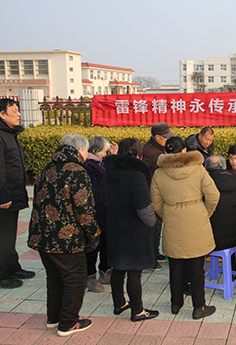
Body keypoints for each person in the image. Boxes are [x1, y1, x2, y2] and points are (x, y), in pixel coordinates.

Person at [27, 134, 100, 337]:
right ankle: (68, 322)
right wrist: (94, 234)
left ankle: (54, 318)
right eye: (86, 151)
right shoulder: (77, 172)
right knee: (75, 278)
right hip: (66, 238)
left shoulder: (47, 168)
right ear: (80, 151)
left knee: (55, 278)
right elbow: (84, 209)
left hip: (42, 235)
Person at [150, 136, 220, 319]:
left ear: (166, 151)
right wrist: (205, 213)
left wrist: (167, 215)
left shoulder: (159, 173)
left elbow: (155, 203)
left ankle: (176, 303)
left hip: (172, 221)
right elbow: (213, 195)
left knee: (175, 267)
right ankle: (199, 307)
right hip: (196, 220)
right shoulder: (198, 169)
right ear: (184, 151)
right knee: (197, 268)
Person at [0, 98, 35, 289]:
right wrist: (3, 197)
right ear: (2, 114)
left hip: (11, 194)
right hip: (2, 198)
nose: (19, 114)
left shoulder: (8, 133)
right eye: (15, 111)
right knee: (3, 237)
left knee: (9, 236)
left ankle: (12, 268)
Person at [103, 138, 159, 322]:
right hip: (134, 231)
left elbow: (104, 200)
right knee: (134, 272)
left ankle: (119, 303)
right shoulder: (136, 176)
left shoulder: (109, 173)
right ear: (138, 155)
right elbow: (144, 208)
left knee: (118, 268)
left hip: (115, 227)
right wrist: (152, 222)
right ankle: (138, 310)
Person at [83, 136, 117, 292]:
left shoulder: (100, 162)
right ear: (95, 150)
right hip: (96, 212)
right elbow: (94, 191)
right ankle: (90, 277)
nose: (105, 154)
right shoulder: (89, 165)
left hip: (106, 212)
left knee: (106, 245)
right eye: (104, 151)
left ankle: (105, 272)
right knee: (93, 247)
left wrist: (113, 156)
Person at [142, 122, 175, 268]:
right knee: (152, 227)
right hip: (151, 194)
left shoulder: (160, 148)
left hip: (160, 193)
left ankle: (155, 252)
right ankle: (150, 258)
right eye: (165, 137)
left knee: (158, 226)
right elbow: (144, 175)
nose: (168, 139)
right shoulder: (148, 151)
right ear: (157, 137)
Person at [205, 155, 236, 251]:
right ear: (225, 167)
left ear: (206, 169)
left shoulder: (203, 186)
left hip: (208, 239)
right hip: (233, 238)